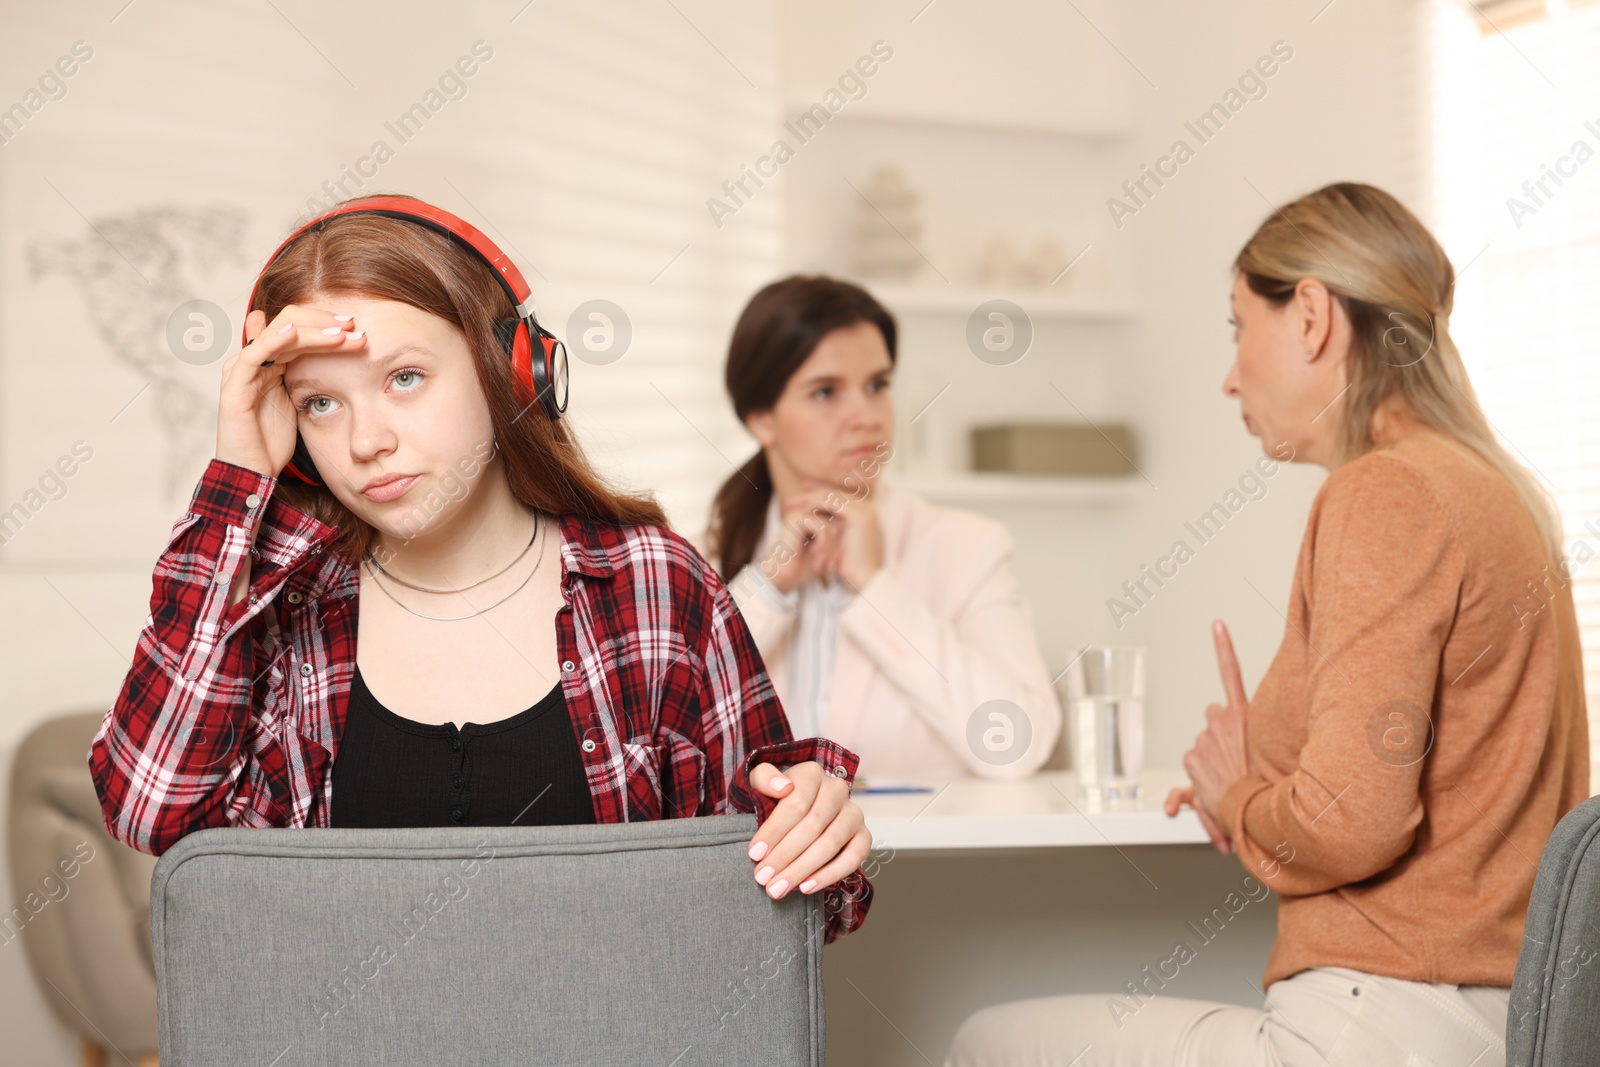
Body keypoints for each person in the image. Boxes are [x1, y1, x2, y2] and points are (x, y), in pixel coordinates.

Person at [87, 195, 873, 943]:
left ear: (511, 373)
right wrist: (239, 485)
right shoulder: (283, 606)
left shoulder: (653, 585)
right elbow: (150, 809)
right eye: (320, 402)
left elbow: (788, 915)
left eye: (404, 378)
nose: (365, 442)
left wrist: (814, 829)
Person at [944, 182, 1589, 1064]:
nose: (1230, 374)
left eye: (1240, 327)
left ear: (1314, 316)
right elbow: (1442, 773)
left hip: (1383, 1024)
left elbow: (1355, 820)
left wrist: (1239, 800)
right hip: (1502, 1022)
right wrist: (1265, 774)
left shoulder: (1384, 490)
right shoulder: (1501, 493)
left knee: (984, 1041)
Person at [695, 275, 1060, 784]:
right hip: (748, 865)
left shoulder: (968, 547)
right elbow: (658, 744)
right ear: (761, 419)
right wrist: (767, 588)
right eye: (826, 392)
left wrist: (874, 589)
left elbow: (1018, 745)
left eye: (877, 386)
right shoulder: (702, 562)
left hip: (920, 864)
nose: (867, 416)